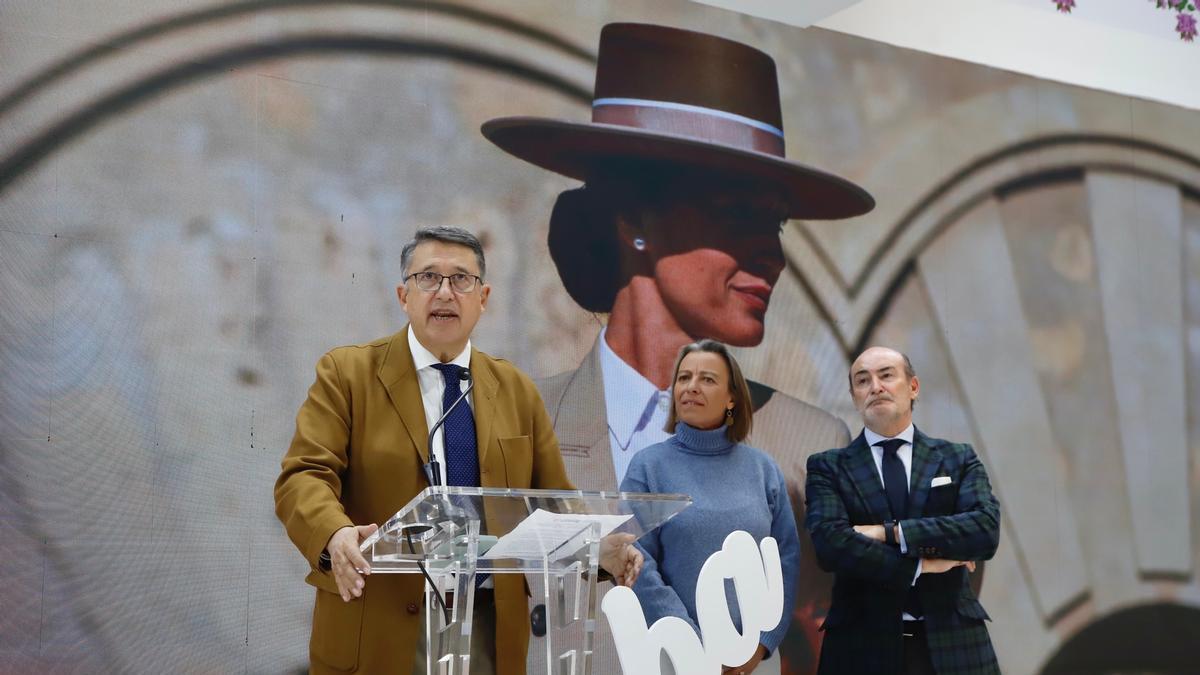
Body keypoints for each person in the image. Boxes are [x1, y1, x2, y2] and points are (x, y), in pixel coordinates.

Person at [482, 22, 874, 672]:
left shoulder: (808, 449)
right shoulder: (515, 434)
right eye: (737, 212)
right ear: (636, 221)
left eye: (774, 223)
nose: (773, 254)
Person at [273, 226, 642, 675]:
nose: (445, 292)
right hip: (380, 623)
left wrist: (597, 550)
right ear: (403, 295)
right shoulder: (347, 374)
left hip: (486, 627)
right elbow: (304, 476)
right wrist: (334, 533)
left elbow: (553, 501)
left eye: (461, 279)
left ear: (483, 297)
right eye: (428, 277)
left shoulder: (515, 390)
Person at [804, 347, 1001, 675]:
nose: (875, 386)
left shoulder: (957, 458)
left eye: (886, 375)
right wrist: (921, 566)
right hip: (859, 649)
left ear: (913, 387)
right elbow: (831, 546)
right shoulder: (828, 467)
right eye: (862, 380)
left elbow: (984, 530)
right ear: (854, 397)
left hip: (956, 645)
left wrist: (891, 532)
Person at [620, 340, 800, 675]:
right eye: (684, 377)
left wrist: (759, 644)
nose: (691, 387)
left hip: (751, 662)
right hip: (673, 655)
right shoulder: (648, 467)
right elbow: (635, 561)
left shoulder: (764, 469)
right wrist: (689, 644)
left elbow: (785, 559)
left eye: (707, 379)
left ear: (732, 397)